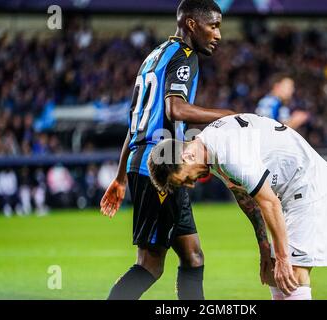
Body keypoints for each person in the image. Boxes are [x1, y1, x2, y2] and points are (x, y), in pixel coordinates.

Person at [99, 0, 269, 300]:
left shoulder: (154, 56)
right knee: (150, 265)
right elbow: (175, 108)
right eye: (213, 26)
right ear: (192, 24)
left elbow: (134, 122)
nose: (218, 35)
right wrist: (229, 115)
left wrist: (121, 176)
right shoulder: (184, 55)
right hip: (159, 167)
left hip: (157, 164)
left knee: (193, 256)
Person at [147, 113, 327, 300]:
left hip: (311, 187)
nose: (191, 184)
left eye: (186, 179)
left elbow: (269, 202)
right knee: (274, 275)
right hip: (291, 194)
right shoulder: (209, 146)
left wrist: (283, 257)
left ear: (187, 157)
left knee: (293, 274)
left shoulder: (229, 153)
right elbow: (244, 195)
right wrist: (265, 248)